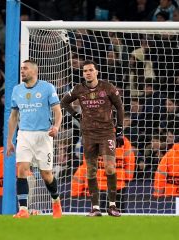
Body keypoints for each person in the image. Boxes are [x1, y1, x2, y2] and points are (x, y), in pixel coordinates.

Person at [61, 60, 124, 217]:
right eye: (85, 71)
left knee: (110, 167)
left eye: (90, 70)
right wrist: (76, 115)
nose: (87, 73)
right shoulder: (79, 89)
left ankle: (112, 206)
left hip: (106, 133)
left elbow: (120, 107)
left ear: (96, 72)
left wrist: (120, 130)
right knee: (91, 170)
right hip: (88, 134)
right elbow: (64, 102)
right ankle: (95, 208)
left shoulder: (108, 88)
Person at [6, 60, 63, 219]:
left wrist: (56, 127)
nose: (22, 71)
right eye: (21, 68)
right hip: (24, 135)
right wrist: (10, 140)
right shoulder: (17, 90)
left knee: (46, 175)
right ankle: (23, 209)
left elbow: (58, 112)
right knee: (22, 169)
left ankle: (56, 200)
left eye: (25, 68)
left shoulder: (47, 88)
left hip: (43, 136)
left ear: (34, 71)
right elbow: (13, 117)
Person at [71, 136, 136, 212]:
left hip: (98, 183)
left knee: (100, 213)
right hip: (117, 183)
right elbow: (130, 161)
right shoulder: (123, 140)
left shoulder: (92, 138)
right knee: (118, 212)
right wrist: (128, 179)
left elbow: (87, 162)